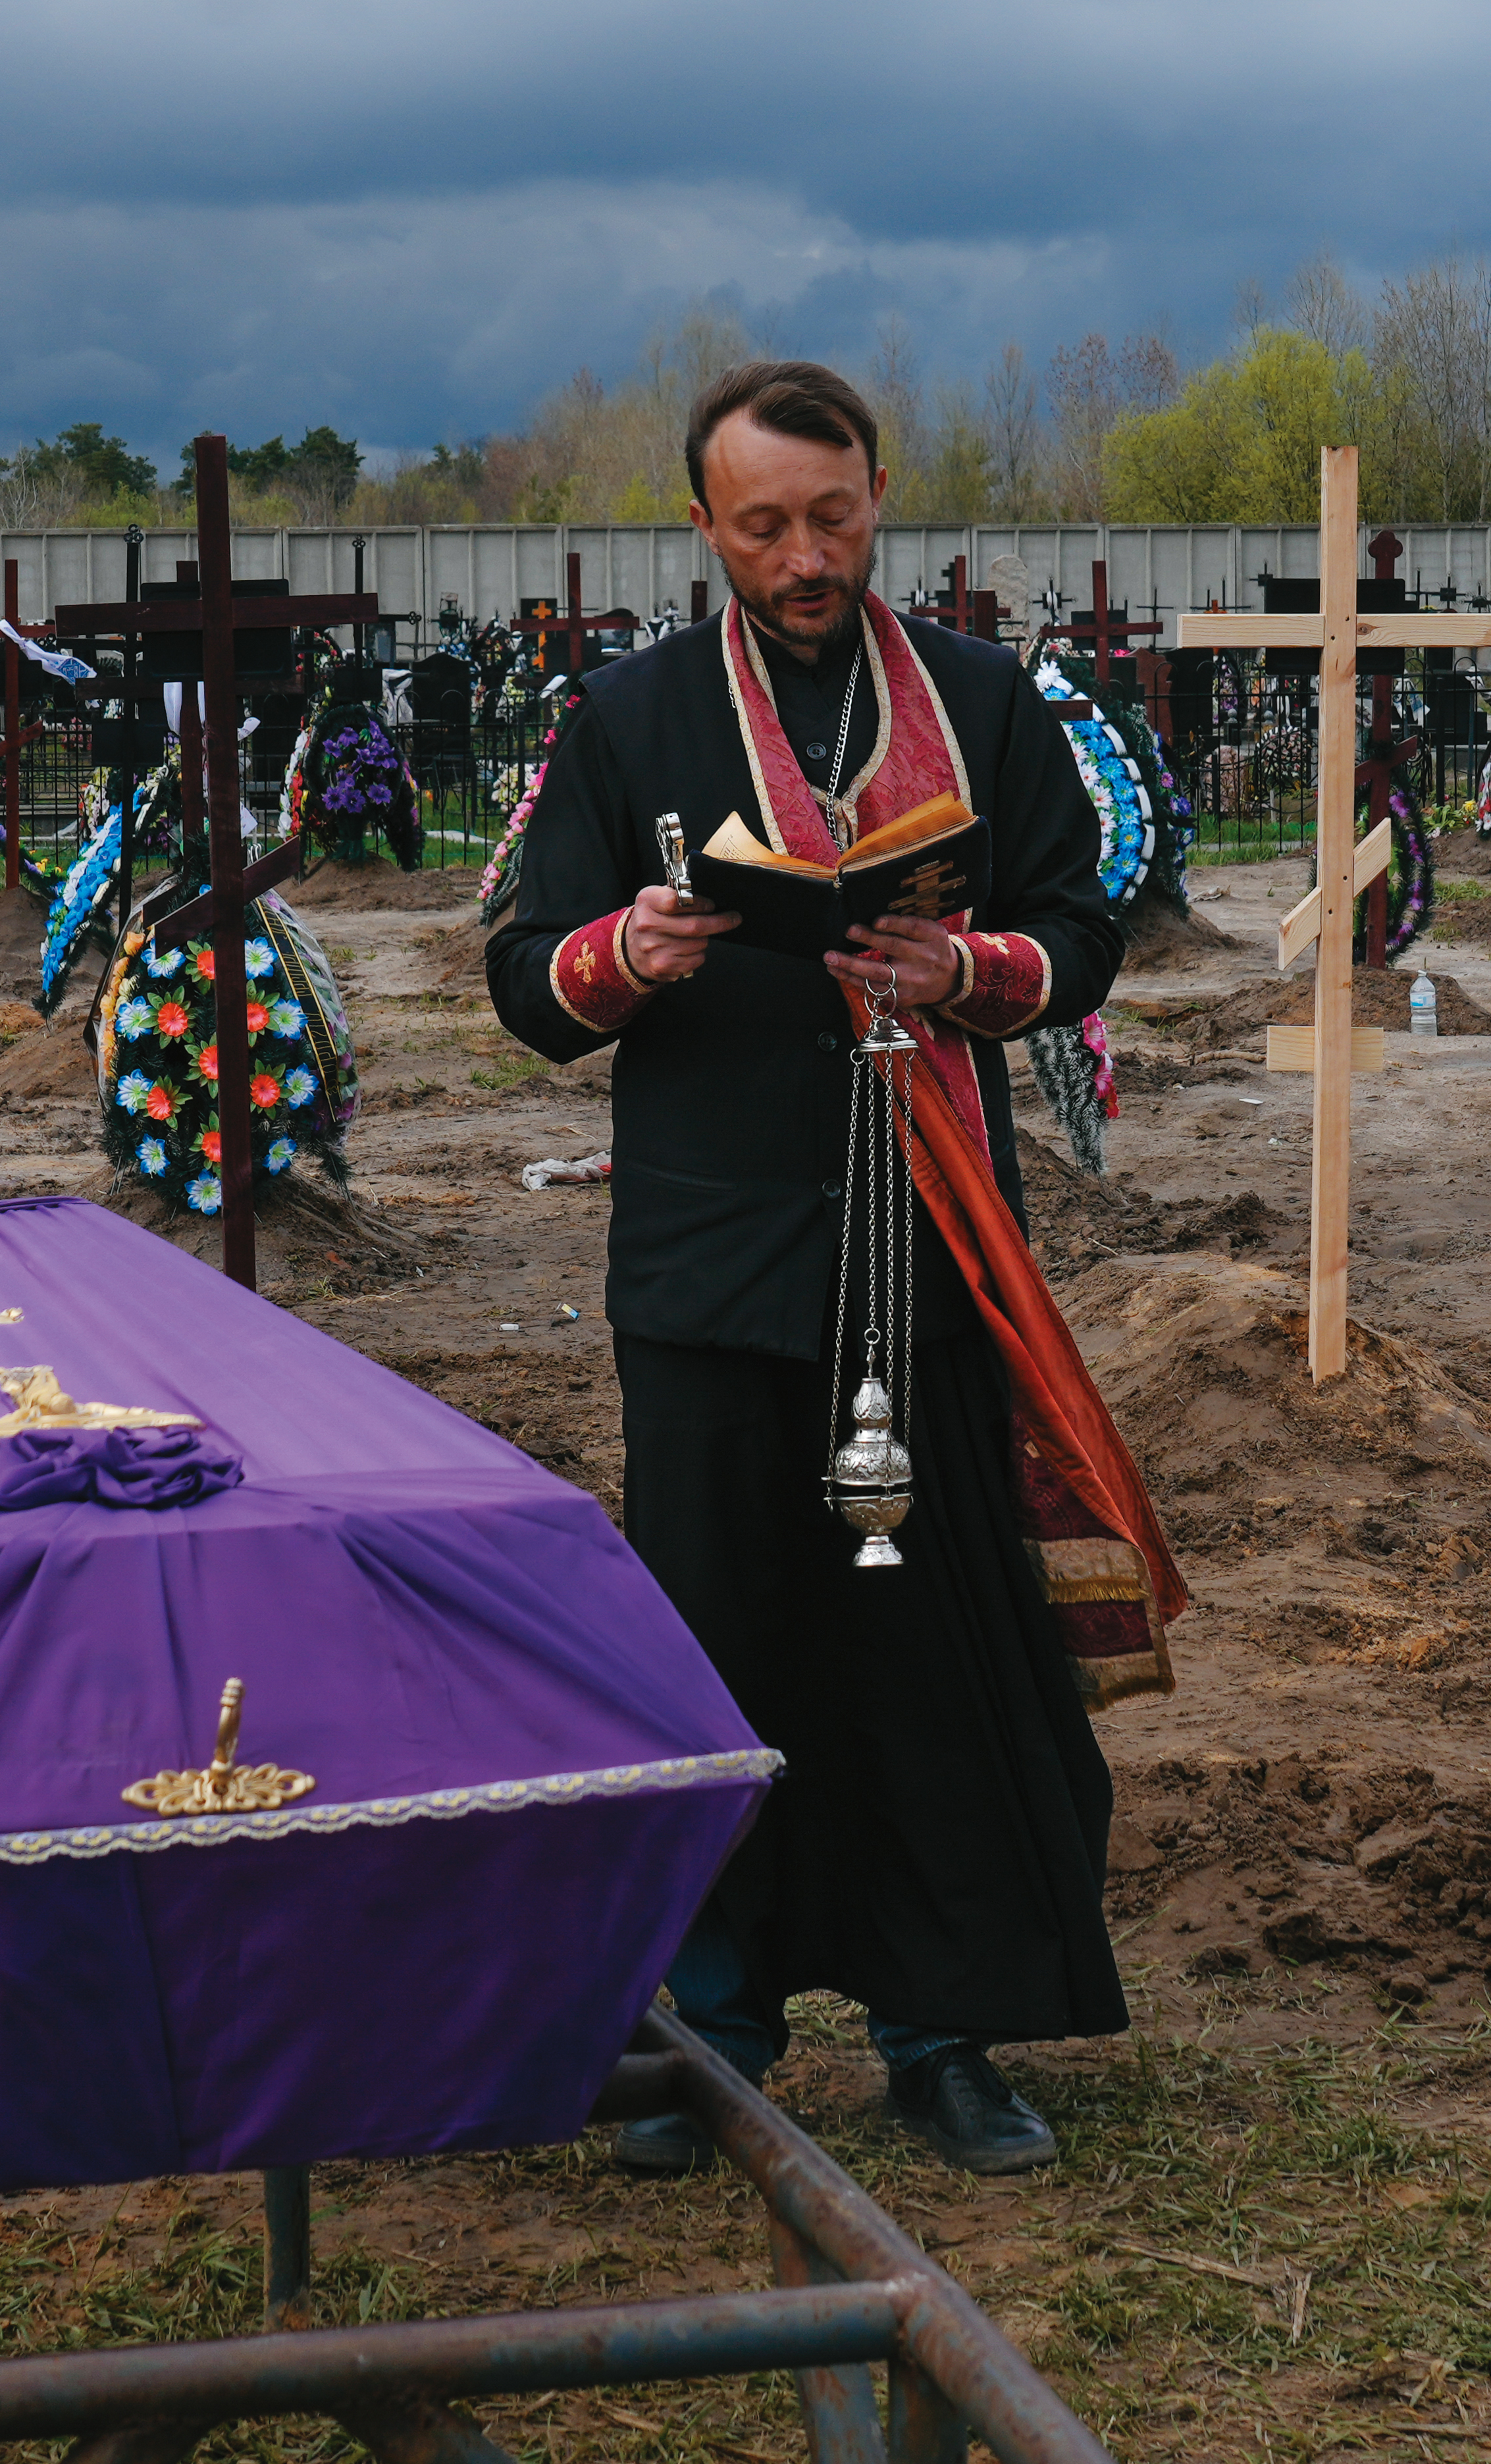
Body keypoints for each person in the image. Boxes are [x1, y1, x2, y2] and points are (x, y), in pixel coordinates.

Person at [486, 357, 1142, 2176]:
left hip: (920, 1228)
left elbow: (1086, 930)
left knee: (920, 1637)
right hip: (703, 1245)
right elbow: (523, 984)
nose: (803, 554)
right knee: (716, 1625)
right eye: (763, 523)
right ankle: (715, 2023)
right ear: (703, 524)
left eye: (832, 516)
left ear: (878, 500)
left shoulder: (991, 703)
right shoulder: (623, 718)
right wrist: (627, 947)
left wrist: (972, 972)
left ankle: (941, 2032)